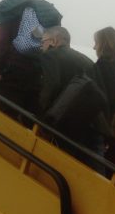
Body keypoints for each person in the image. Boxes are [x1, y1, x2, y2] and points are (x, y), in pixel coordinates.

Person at [0, 0, 61, 118]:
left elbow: (2, 41)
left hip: (12, 70)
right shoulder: (40, 10)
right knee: (31, 115)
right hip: (36, 71)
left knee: (7, 114)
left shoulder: (9, 7)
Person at [39, 26, 108, 160]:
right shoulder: (87, 60)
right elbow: (101, 93)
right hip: (94, 125)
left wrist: (43, 119)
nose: (41, 46)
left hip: (69, 126)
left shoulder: (50, 56)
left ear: (54, 41)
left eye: (43, 42)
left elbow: (51, 87)